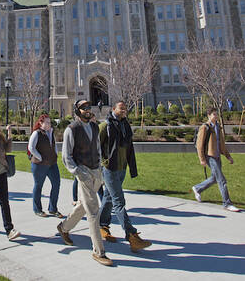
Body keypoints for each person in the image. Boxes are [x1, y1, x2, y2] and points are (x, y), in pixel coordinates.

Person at [57, 100, 112, 266]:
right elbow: (66, 156)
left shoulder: (95, 127)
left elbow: (97, 147)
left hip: (96, 171)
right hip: (84, 172)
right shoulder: (71, 129)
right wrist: (78, 172)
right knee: (94, 210)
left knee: (84, 205)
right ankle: (98, 251)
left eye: (89, 107)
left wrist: (101, 167)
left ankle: (64, 227)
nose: (88, 110)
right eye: (84, 108)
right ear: (77, 110)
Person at [98, 101, 152, 252]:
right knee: (119, 201)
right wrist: (104, 162)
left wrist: (130, 166)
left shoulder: (125, 125)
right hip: (109, 169)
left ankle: (101, 225)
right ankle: (131, 235)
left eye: (125, 108)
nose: (124, 110)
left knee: (108, 198)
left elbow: (129, 147)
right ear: (113, 109)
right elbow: (96, 147)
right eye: (121, 108)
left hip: (121, 168)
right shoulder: (105, 126)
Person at [192, 107, 240, 212]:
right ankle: (227, 203)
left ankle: (198, 188)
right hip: (210, 156)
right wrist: (202, 159)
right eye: (214, 114)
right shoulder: (205, 127)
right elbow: (199, 145)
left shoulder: (218, 127)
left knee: (214, 178)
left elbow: (221, 144)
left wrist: (228, 156)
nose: (216, 116)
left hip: (217, 156)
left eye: (216, 114)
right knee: (221, 180)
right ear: (209, 116)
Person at [28, 114, 64, 218]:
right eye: (47, 122)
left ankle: (53, 209)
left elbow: (54, 144)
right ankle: (37, 209)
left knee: (56, 184)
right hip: (39, 165)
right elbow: (31, 147)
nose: (49, 124)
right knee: (38, 186)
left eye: (50, 122)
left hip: (52, 163)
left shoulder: (51, 132)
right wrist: (39, 157)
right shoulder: (37, 133)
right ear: (41, 123)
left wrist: (56, 154)